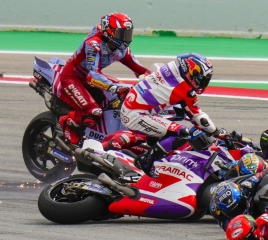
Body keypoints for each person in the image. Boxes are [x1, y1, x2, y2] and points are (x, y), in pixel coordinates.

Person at [121, 52, 227, 177]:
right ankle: (146, 161)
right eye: (200, 78)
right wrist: (216, 132)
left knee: (172, 121)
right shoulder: (184, 89)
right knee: (181, 133)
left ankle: (153, 151)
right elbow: (198, 116)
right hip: (136, 115)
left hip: (134, 108)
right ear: (190, 72)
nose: (202, 83)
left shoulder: (170, 69)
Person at [57, 12, 150, 145]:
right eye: (121, 34)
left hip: (93, 77)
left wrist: (157, 80)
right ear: (109, 32)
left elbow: (140, 70)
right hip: (73, 78)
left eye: (127, 33)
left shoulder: (121, 49)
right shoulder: (94, 44)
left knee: (118, 98)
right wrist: (116, 88)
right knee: (94, 112)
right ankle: (67, 122)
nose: (125, 38)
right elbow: (92, 76)